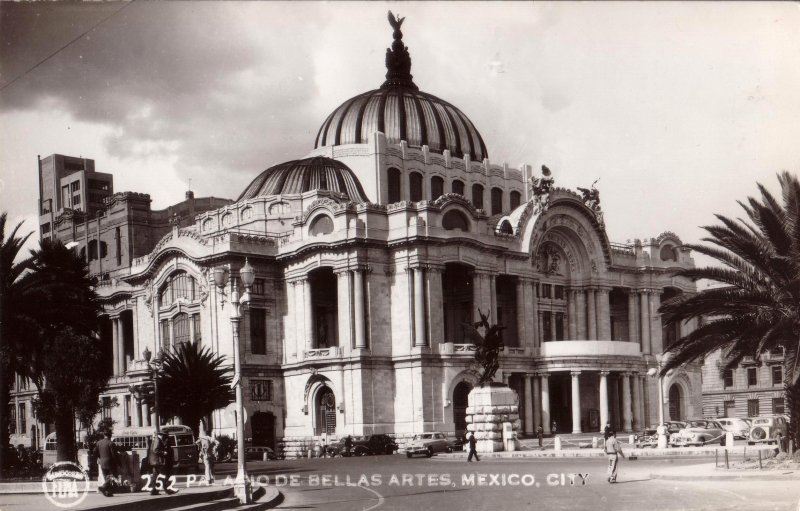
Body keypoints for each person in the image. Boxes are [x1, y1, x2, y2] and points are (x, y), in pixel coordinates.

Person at [93, 431, 118, 497]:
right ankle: (103, 487)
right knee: (111, 476)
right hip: (110, 463)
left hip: (102, 462)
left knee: (106, 476)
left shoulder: (98, 443)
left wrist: (100, 458)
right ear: (110, 435)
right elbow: (114, 455)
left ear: (104, 435)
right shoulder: (111, 443)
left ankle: (107, 492)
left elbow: (95, 452)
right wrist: (118, 463)